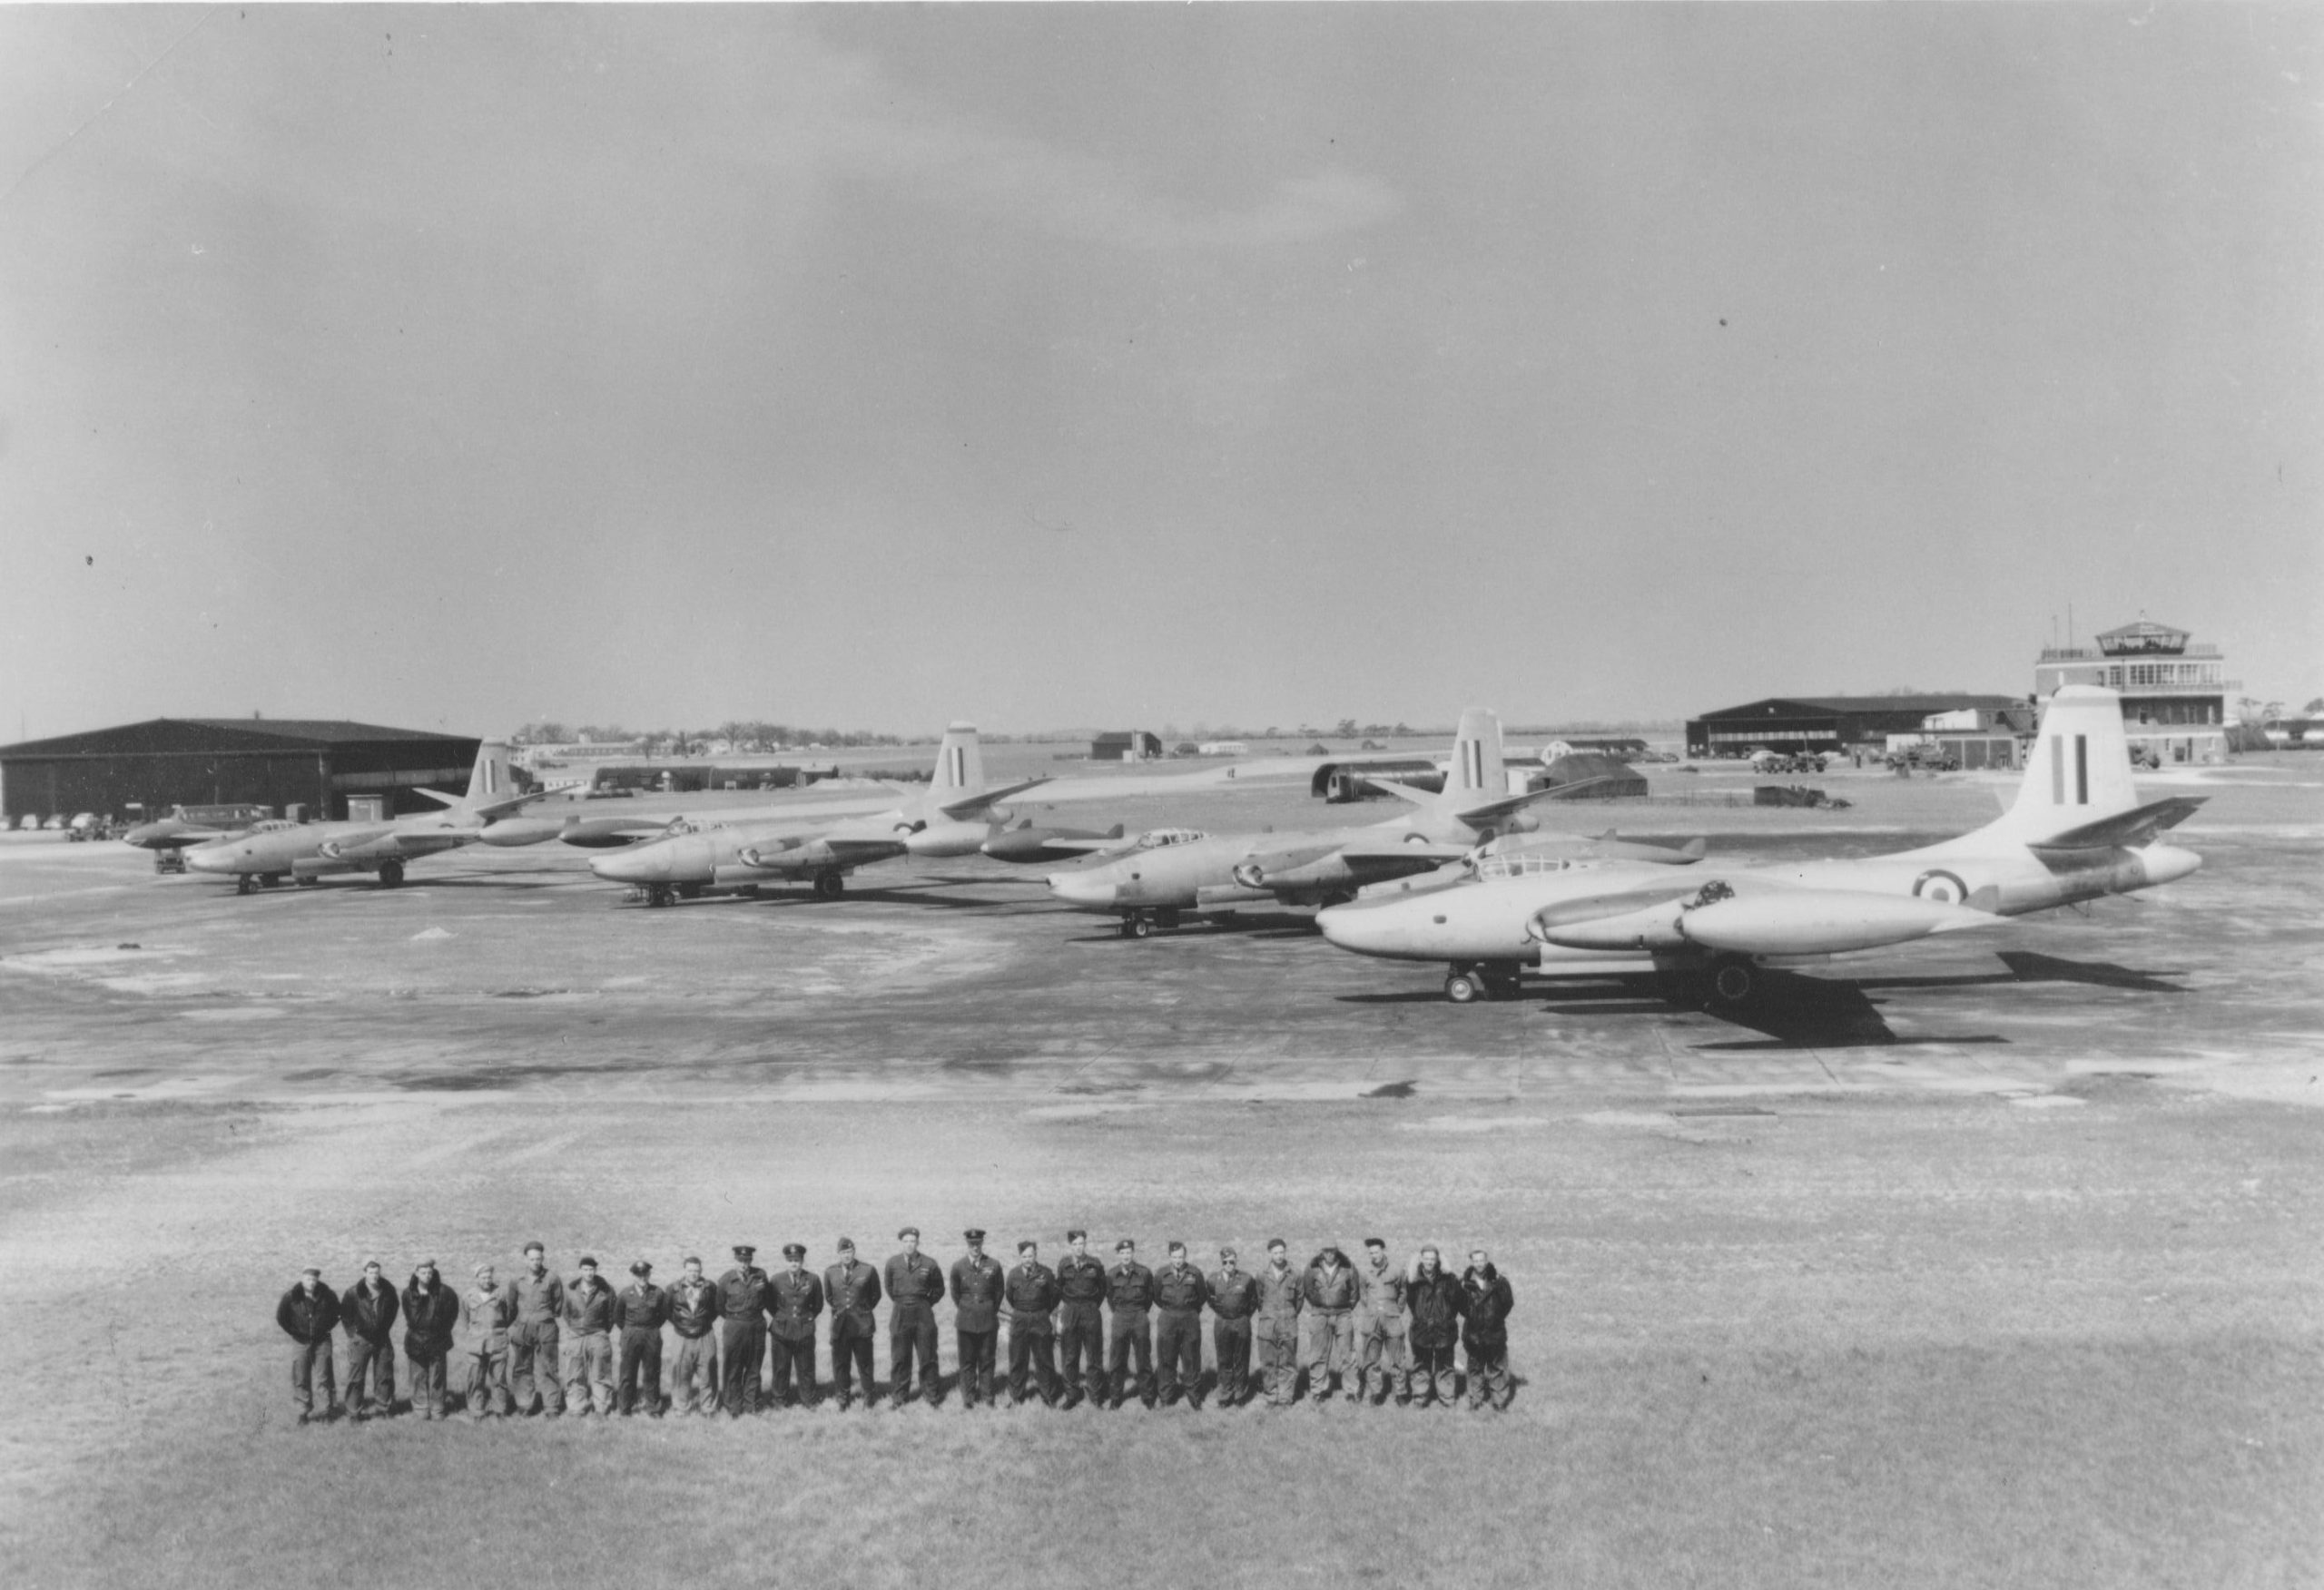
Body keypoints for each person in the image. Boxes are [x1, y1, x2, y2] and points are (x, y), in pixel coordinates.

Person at [883, 1227, 946, 1408]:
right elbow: (889, 1288)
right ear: (901, 1243)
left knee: (928, 1356)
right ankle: (899, 1398)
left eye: (912, 1241)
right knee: (900, 1357)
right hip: (901, 1312)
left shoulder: (929, 1263)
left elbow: (939, 1289)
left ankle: (932, 1396)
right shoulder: (892, 1263)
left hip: (923, 1313)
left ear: (918, 1242)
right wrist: (903, 1301)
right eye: (906, 1241)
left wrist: (925, 1303)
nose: (909, 1244)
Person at [276, 1265, 340, 1426]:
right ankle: (303, 1412)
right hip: (300, 1342)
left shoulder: (327, 1295)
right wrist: (295, 1332)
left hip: (322, 1342)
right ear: (302, 1278)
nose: (311, 1282)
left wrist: (325, 1328)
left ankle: (327, 1411)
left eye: (314, 1279)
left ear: (317, 1280)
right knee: (301, 1376)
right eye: (308, 1279)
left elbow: (337, 1313)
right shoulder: (291, 1297)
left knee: (324, 1376)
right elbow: (281, 1317)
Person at [507, 1242, 566, 1417]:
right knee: (522, 1367)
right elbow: (511, 1306)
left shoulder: (552, 1278)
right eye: (532, 1259)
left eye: (538, 1259)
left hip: (546, 1327)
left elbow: (558, 1305)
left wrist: (543, 1317)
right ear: (526, 1260)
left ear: (543, 1259)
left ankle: (551, 1406)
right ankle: (524, 1404)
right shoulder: (516, 1280)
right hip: (523, 1327)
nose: (535, 1262)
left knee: (549, 1367)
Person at [949, 1230, 1004, 1410]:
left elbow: (999, 1292)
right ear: (967, 1244)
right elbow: (956, 1294)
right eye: (972, 1244)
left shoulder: (994, 1265)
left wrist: (987, 1309)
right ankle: (969, 1398)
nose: (975, 1247)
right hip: (965, 1321)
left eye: (978, 1243)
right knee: (967, 1361)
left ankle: (988, 1396)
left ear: (982, 1244)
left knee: (987, 1360)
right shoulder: (958, 1266)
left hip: (988, 1320)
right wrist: (968, 1309)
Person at [1353, 1237, 1412, 1406]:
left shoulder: (1396, 1270)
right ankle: (1376, 1392)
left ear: (1383, 1251)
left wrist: (1394, 1310)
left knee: (1397, 1358)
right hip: (1372, 1321)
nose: (1374, 1255)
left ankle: (1400, 1393)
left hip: (1392, 1319)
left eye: (1377, 1252)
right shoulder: (1364, 1272)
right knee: (1372, 1359)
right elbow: (1363, 1295)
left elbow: (1403, 1292)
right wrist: (1373, 1310)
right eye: (1371, 1253)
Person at [824, 1238, 881, 1410]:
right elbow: (829, 1297)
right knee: (841, 1364)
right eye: (843, 1253)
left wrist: (862, 1310)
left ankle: (869, 1397)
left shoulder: (868, 1270)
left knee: (865, 1364)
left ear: (854, 1251)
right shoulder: (830, 1272)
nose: (846, 1256)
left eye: (849, 1252)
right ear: (838, 1254)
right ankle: (843, 1398)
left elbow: (875, 1295)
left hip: (862, 1325)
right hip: (840, 1326)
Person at [340, 1259, 399, 1420]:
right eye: (371, 1272)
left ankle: (384, 1409)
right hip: (361, 1340)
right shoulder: (353, 1292)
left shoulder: (388, 1290)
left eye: (376, 1272)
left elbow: (394, 1308)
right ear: (365, 1273)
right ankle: (353, 1412)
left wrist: (385, 1328)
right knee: (356, 1378)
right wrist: (353, 1334)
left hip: (382, 1339)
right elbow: (345, 1315)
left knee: (384, 1375)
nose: (374, 1275)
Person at [1152, 1241, 1209, 1408]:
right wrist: (1170, 1310)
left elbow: (1202, 1296)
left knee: (1191, 1358)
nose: (1178, 1260)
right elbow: (1156, 1296)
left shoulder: (1195, 1273)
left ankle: (1194, 1397)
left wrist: (1190, 1310)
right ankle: (1166, 1397)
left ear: (1185, 1256)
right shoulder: (1161, 1274)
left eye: (1181, 1256)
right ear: (1170, 1257)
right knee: (1166, 1358)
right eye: (1175, 1257)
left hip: (1190, 1318)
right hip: (1168, 1318)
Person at [716, 1243, 772, 1418]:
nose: (744, 1264)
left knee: (754, 1366)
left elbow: (768, 1298)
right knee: (733, 1366)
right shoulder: (726, 1280)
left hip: (756, 1325)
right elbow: (719, 1306)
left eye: (747, 1260)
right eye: (741, 1260)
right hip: (734, 1326)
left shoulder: (760, 1275)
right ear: (735, 1260)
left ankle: (751, 1404)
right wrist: (736, 1319)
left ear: (751, 1260)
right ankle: (733, 1405)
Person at [1003, 1240, 1059, 1408]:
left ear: (1036, 1255)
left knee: (1044, 1359)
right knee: (1018, 1359)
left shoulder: (1046, 1273)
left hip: (1040, 1318)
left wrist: (1041, 1311)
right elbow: (1010, 1297)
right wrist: (1023, 1311)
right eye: (1024, 1256)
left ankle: (1048, 1396)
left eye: (1031, 1255)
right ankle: (1016, 1396)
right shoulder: (1013, 1274)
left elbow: (1054, 1296)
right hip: (1020, 1318)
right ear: (1020, 1257)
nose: (1028, 1259)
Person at [1054, 1229, 1107, 1409]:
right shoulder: (1064, 1265)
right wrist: (1069, 1307)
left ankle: (1095, 1396)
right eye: (1075, 1244)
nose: (1078, 1247)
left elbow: (1103, 1289)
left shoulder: (1095, 1264)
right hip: (1071, 1311)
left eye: (1081, 1244)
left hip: (1091, 1311)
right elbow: (1058, 1288)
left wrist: (1091, 1305)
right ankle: (1072, 1395)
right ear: (1070, 1246)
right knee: (1070, 1356)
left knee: (1094, 1356)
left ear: (1086, 1244)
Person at [1407, 1246, 1464, 1411]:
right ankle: (1420, 1398)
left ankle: (1446, 1399)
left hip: (1444, 1331)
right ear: (1421, 1259)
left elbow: (1457, 1300)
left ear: (1438, 1260)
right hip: (1421, 1330)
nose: (1429, 1262)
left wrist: (1450, 1272)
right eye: (1426, 1258)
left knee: (1445, 1366)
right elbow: (1411, 1303)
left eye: (1433, 1259)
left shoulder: (1448, 1279)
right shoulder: (1414, 1280)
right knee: (1421, 1366)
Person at [401, 1259, 459, 1420]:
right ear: (416, 1273)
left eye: (429, 1272)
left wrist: (442, 1331)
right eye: (423, 1272)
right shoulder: (408, 1293)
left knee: (437, 1376)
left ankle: (437, 1408)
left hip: (437, 1340)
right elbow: (408, 1315)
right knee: (418, 1375)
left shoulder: (445, 1292)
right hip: (415, 1340)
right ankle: (421, 1408)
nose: (427, 1276)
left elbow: (452, 1313)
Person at [767, 1243, 824, 1409]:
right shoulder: (777, 1280)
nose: (794, 1263)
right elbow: (770, 1304)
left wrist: (806, 1319)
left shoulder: (812, 1279)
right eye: (790, 1260)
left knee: (806, 1368)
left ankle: (808, 1400)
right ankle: (779, 1401)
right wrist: (782, 1318)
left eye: (797, 1260)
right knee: (780, 1368)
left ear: (802, 1261)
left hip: (804, 1330)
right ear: (786, 1261)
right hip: (781, 1331)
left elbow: (818, 1305)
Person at [1300, 1244, 1359, 1404]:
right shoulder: (1312, 1267)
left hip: (1342, 1314)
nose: (1329, 1254)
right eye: (1326, 1251)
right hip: (1320, 1314)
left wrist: (1344, 1306)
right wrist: (1319, 1305)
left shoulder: (1348, 1266)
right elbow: (1308, 1290)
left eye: (1332, 1251)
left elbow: (1355, 1293)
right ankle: (1318, 1390)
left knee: (1347, 1354)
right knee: (1318, 1353)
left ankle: (1352, 1391)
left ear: (1337, 1251)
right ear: (1322, 1252)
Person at [561, 1256, 618, 1417]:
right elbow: (566, 1312)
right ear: (580, 1271)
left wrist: (600, 1330)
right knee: (575, 1373)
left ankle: (601, 1407)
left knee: (601, 1372)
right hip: (576, 1336)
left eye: (591, 1269)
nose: (589, 1273)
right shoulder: (571, 1290)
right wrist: (576, 1327)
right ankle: (576, 1407)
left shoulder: (606, 1290)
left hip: (598, 1335)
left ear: (595, 1270)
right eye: (585, 1270)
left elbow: (611, 1314)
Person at [1460, 1248, 1516, 1411]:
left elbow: (1507, 1303)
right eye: (1475, 1261)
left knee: (1497, 1368)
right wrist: (1474, 1317)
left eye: (1481, 1260)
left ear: (1486, 1261)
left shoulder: (1499, 1281)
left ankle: (1498, 1402)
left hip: (1495, 1333)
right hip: (1473, 1334)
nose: (1479, 1264)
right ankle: (1475, 1400)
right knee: (1475, 1368)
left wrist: (1495, 1317)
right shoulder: (1464, 1283)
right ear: (1472, 1262)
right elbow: (1461, 1306)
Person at [1104, 1238, 1157, 1409]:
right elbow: (1110, 1298)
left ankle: (1147, 1397)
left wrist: (1140, 1311)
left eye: (1128, 1252)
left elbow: (1149, 1297)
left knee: (1143, 1358)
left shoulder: (1144, 1273)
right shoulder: (1112, 1274)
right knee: (1118, 1359)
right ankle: (1116, 1397)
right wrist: (1120, 1313)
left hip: (1139, 1316)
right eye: (1122, 1253)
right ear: (1118, 1254)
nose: (1126, 1256)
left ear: (1133, 1253)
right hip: (1120, 1317)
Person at [1205, 1246, 1260, 1408]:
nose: (1229, 1264)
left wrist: (1243, 1316)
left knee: (1241, 1358)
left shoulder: (1246, 1279)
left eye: (1232, 1261)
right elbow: (1210, 1299)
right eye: (1226, 1262)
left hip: (1241, 1322)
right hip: (1222, 1322)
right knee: (1224, 1359)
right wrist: (1223, 1313)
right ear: (1221, 1262)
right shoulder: (1213, 1280)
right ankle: (1225, 1393)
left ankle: (1240, 1393)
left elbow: (1253, 1300)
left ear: (1236, 1261)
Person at [460, 1262, 517, 1419]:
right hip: (476, 1344)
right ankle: (476, 1410)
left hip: (497, 1341)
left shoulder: (501, 1294)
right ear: (476, 1278)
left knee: (499, 1378)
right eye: (483, 1277)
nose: (486, 1280)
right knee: (476, 1379)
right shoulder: (468, 1296)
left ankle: (500, 1410)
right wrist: (474, 1333)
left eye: (489, 1277)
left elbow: (510, 1314)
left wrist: (499, 1328)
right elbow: (465, 1319)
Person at [666, 1256, 721, 1417]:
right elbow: (667, 1311)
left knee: (708, 1371)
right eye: (690, 1270)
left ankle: (708, 1407)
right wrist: (682, 1324)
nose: (693, 1274)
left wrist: (702, 1323)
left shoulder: (710, 1287)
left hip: (705, 1335)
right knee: (681, 1372)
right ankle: (681, 1407)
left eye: (696, 1271)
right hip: (682, 1336)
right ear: (684, 1270)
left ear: (701, 1271)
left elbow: (716, 1309)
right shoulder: (673, 1289)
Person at [1253, 1239, 1304, 1408]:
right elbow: (1259, 1299)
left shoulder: (1295, 1273)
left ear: (1285, 1252)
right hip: (1267, 1325)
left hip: (1288, 1323)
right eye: (1275, 1253)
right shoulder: (1261, 1274)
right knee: (1268, 1362)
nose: (1279, 1256)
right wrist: (1269, 1315)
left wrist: (1288, 1314)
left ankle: (1285, 1398)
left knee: (1287, 1362)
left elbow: (1299, 1300)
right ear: (1270, 1254)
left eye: (1282, 1252)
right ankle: (1271, 1396)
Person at [615, 1261, 669, 1417]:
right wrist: (629, 1331)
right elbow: (618, 1317)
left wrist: (651, 1328)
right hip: (631, 1334)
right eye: (639, 1275)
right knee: (627, 1373)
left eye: (645, 1274)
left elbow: (664, 1314)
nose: (642, 1277)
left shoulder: (657, 1292)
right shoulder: (625, 1294)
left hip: (651, 1334)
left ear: (649, 1274)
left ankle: (653, 1408)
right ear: (633, 1276)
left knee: (652, 1372)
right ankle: (625, 1408)